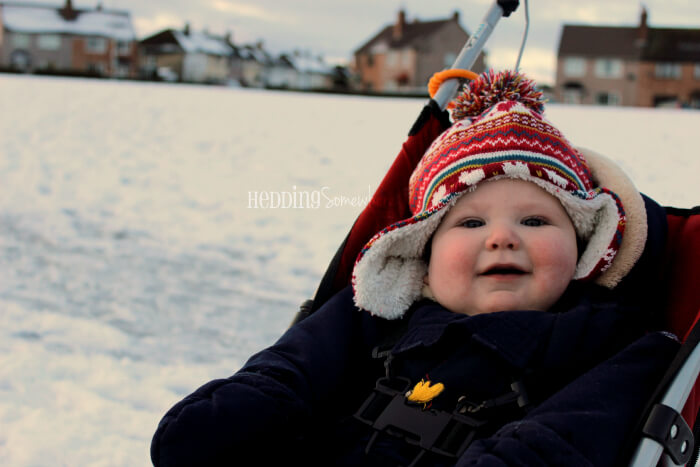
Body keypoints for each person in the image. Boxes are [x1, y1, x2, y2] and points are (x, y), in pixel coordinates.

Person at [150, 70, 679, 466]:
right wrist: (248, 408)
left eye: (536, 219)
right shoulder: (377, 315)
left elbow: (566, 439)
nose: (502, 237)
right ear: (423, 253)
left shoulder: (616, 341)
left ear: (586, 245)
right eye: (469, 224)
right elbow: (293, 368)